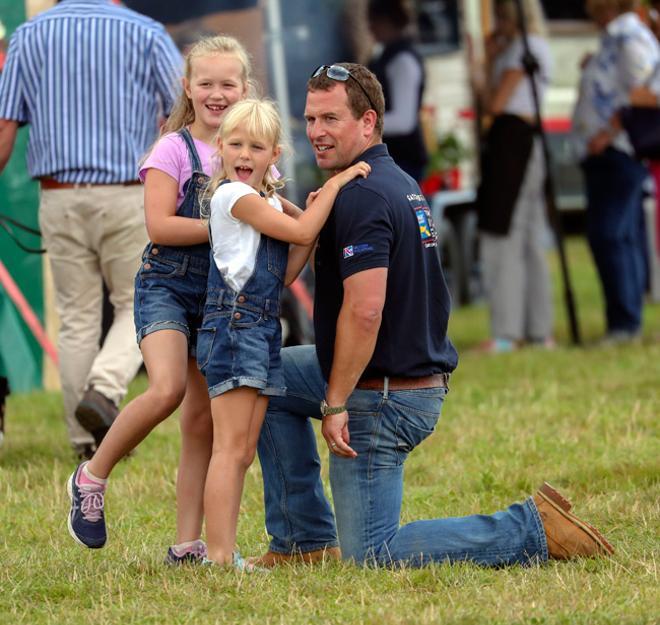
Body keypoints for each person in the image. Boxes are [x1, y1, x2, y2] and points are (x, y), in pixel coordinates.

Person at [251, 62, 614, 568]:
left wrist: (335, 403)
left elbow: (365, 310)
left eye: (330, 118)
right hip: (398, 377)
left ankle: (530, 527)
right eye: (311, 119)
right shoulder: (389, 181)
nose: (316, 131)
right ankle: (304, 541)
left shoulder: (363, 196)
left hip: (382, 398)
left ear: (368, 121)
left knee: (372, 556)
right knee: (261, 377)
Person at [66, 35, 253, 563]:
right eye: (207, 83)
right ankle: (91, 477)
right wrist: (226, 221)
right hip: (167, 286)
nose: (217, 94)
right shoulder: (173, 149)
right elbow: (160, 226)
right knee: (167, 388)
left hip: (219, 293)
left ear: (244, 89)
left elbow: (266, 212)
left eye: (228, 84)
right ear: (187, 88)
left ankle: (187, 544)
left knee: (200, 421)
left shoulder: (247, 148)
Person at [0, 0, 183, 459]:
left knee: (77, 318)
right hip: (129, 192)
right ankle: (103, 391)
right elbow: (185, 110)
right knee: (138, 303)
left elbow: (5, 126)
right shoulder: (147, 33)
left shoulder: (28, 36)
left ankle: (86, 441)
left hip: (59, 195)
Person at [197, 98, 370, 570]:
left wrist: (308, 221)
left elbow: (288, 269)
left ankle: (223, 552)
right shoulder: (234, 197)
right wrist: (333, 186)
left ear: (275, 154)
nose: (244, 155)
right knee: (230, 450)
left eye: (256, 146)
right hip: (233, 329)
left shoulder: (266, 200)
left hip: (261, 328)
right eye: (235, 144)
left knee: (243, 449)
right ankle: (218, 557)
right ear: (221, 147)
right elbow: (300, 232)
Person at [572, 0, 660, 343]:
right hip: (611, 151)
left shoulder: (628, 37)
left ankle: (624, 323)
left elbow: (646, 91)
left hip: (617, 151)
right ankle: (626, 320)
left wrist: (609, 131)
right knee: (621, 236)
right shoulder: (617, 37)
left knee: (610, 236)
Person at [474, 0, 554, 353]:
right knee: (527, 237)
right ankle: (538, 329)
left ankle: (507, 330)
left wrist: (487, 61)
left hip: (512, 140)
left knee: (503, 235)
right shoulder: (527, 47)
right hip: (520, 139)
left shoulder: (525, 48)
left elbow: (493, 102)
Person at [366, 0, 428, 182]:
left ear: (387, 21)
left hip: (404, 157)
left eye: (373, 21)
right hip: (393, 156)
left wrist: (361, 125)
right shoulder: (385, 55)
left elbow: (403, 120)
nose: (370, 28)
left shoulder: (402, 60)